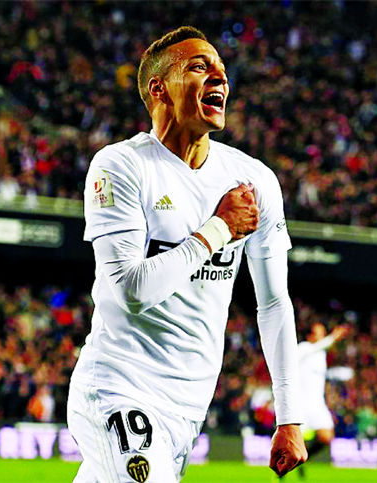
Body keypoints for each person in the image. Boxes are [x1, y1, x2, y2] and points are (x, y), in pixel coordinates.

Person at [67, 26, 307, 483]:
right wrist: (218, 228)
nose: (220, 76)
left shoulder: (254, 179)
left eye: (221, 68)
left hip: (188, 411)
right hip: (119, 389)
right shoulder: (121, 165)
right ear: (159, 88)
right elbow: (132, 290)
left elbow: (274, 303)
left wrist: (289, 416)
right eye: (200, 66)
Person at [296, 323, 350, 473]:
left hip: (318, 403)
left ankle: (302, 460)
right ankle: (280, 468)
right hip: (302, 403)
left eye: (324, 333)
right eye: (319, 333)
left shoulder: (322, 354)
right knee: (294, 441)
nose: (322, 336)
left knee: (327, 437)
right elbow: (317, 347)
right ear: (310, 336)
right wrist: (333, 337)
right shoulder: (303, 347)